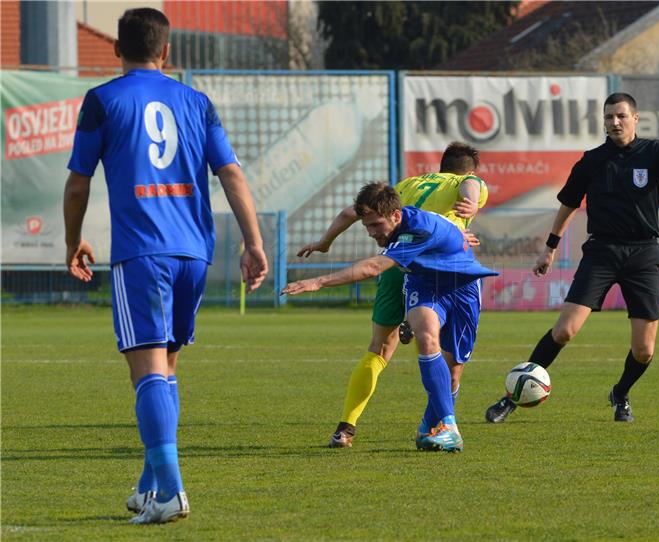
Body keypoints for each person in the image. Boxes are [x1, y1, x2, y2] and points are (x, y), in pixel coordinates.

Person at [63, 8, 268, 524]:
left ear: (116, 49)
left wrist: (73, 241)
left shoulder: (103, 99)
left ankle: (172, 492)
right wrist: (254, 243)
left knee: (147, 372)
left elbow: (78, 182)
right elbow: (232, 176)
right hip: (193, 253)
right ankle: (150, 484)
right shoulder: (196, 102)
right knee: (167, 368)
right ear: (167, 51)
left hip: (141, 253)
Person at [484, 92, 659, 424]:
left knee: (644, 351)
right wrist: (550, 247)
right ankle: (512, 398)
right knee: (564, 331)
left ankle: (620, 394)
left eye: (621, 116)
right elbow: (568, 206)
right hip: (602, 252)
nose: (614, 122)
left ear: (635, 118)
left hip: (643, 254)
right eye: (609, 117)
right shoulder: (592, 160)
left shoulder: (654, 151)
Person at [296, 142, 488, 448]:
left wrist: (324, 243)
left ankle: (347, 427)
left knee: (379, 349)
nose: (370, 230)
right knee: (447, 362)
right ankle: (444, 423)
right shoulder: (465, 180)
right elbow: (470, 187)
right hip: (430, 265)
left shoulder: (407, 185)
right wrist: (471, 207)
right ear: (469, 168)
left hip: (398, 267)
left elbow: (351, 212)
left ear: (441, 165)